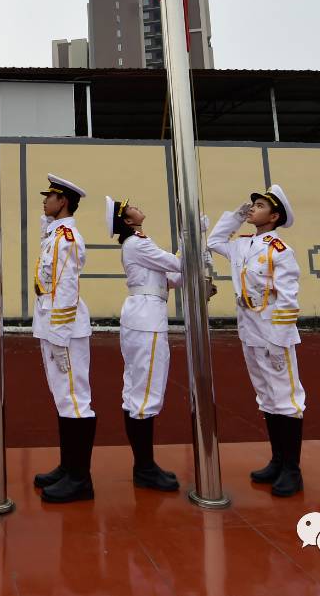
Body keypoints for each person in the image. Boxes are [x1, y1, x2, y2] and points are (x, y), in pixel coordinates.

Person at [206, 184, 306, 497]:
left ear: (274, 216)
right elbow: (214, 240)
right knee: (265, 395)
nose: (253, 209)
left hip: (273, 331)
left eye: (260, 206)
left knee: (286, 398)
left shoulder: (280, 251)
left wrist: (278, 338)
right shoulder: (243, 244)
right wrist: (237, 215)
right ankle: (277, 461)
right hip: (249, 328)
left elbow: (288, 297)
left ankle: (292, 469)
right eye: (253, 205)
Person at [106, 196, 182, 492]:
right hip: (147, 319)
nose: (137, 205)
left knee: (137, 389)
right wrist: (194, 238)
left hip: (143, 315)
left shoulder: (138, 244)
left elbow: (171, 277)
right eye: (130, 208)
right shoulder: (138, 244)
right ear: (128, 221)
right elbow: (176, 263)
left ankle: (144, 465)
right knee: (146, 390)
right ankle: (145, 468)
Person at [31, 174, 96, 503]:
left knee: (75, 400)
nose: (45, 201)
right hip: (52, 324)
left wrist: (58, 332)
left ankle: (80, 479)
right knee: (63, 398)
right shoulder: (54, 234)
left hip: (64, 328)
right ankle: (68, 467)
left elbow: (66, 287)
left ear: (64, 202)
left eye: (51, 197)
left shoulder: (66, 237)